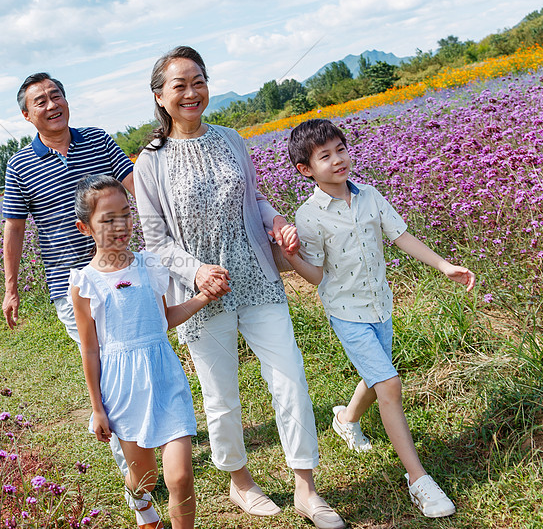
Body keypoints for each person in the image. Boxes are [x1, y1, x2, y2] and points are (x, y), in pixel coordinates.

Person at [134, 46, 344, 529]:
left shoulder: (231, 139)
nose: (192, 92)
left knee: (290, 378)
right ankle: (240, 480)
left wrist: (278, 223)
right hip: (203, 296)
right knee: (221, 393)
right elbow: (155, 239)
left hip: (257, 278)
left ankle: (306, 489)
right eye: (179, 85)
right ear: (160, 96)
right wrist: (195, 272)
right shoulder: (150, 162)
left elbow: (255, 199)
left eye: (198, 81)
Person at [284, 119, 476, 518]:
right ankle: (418, 480)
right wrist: (293, 259)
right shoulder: (309, 215)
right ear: (306, 170)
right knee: (388, 383)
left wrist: (444, 265)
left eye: (341, 149)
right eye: (325, 156)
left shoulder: (369, 195)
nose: (338, 159)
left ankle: (346, 417)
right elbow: (317, 275)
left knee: (378, 376)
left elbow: (400, 235)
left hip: (380, 306)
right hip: (346, 313)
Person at [1, 72, 140, 517]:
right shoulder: (20, 166)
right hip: (70, 284)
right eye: (40, 101)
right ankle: (134, 477)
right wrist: (11, 288)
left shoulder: (98, 140)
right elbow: (15, 228)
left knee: (136, 356)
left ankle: (147, 440)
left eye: (56, 95)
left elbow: (137, 184)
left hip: (122, 271)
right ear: (27, 115)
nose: (51, 104)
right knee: (104, 369)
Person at [70, 175, 209, 529]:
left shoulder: (149, 265)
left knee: (179, 478)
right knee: (144, 478)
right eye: (108, 219)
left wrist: (202, 298)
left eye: (126, 214)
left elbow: (164, 319)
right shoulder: (86, 282)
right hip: (122, 388)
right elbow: (90, 350)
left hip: (164, 376)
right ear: (85, 227)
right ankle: (142, 508)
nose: (121, 225)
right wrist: (97, 409)